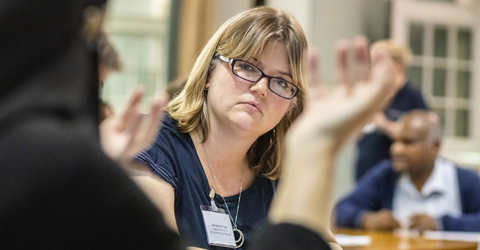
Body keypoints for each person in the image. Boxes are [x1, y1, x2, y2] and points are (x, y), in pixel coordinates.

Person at [0, 0, 397, 248]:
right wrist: (317, 151)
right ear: (208, 72)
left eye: (281, 82)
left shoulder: (278, 165)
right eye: (246, 67)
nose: (260, 89)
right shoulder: (149, 139)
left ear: (292, 104)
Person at [335, 110, 480, 232]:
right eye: (395, 141)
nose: (396, 149)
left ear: (434, 147)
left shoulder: (464, 180)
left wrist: (442, 224)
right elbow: (342, 209)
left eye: (408, 142)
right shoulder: (385, 176)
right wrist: (365, 219)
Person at [355, 39, 428, 181]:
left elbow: (421, 138)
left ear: (397, 65)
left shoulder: (412, 97)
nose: (372, 67)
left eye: (378, 61)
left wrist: (384, 125)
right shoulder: (371, 94)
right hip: (365, 171)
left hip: (396, 174)